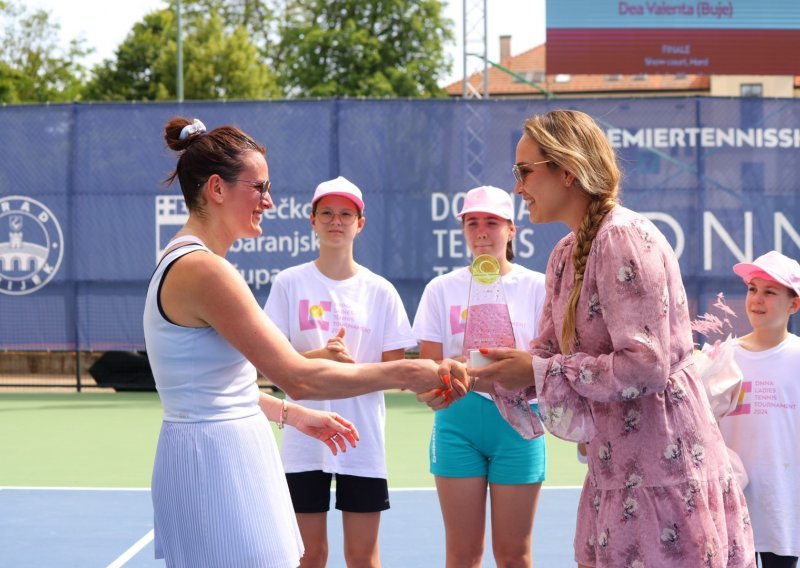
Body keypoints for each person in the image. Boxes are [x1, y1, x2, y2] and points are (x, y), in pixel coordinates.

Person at [145, 117, 466, 568]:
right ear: (217, 189)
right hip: (217, 462)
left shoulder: (187, 260)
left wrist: (291, 414)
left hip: (214, 453)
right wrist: (411, 372)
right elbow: (297, 374)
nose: (269, 201)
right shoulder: (205, 270)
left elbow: (216, 387)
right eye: (259, 187)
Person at [452, 109, 755, 567]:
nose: (518, 187)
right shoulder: (565, 253)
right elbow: (547, 355)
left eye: (525, 171)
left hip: (665, 470)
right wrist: (474, 376)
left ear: (567, 171)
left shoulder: (624, 239)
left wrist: (536, 369)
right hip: (614, 468)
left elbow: (644, 366)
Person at [264, 176, 417, 568]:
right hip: (303, 438)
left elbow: (394, 372)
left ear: (360, 223)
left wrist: (348, 370)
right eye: (327, 213)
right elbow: (272, 362)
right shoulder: (289, 283)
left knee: (363, 559)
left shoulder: (380, 291)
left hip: (361, 440)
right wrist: (320, 357)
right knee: (308, 556)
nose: (336, 221)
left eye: (346, 214)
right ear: (311, 220)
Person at [412, 185, 547, 568]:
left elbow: (551, 359)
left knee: (514, 556)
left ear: (511, 229)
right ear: (463, 230)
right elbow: (428, 368)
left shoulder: (538, 287)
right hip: (458, 425)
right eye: (473, 223)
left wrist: (511, 364)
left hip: (520, 424)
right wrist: (448, 371)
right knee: (463, 554)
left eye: (492, 222)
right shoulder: (441, 290)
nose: (482, 231)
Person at [718, 251, 800, 568]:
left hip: (783, 508)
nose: (757, 299)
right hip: (731, 506)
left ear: (793, 304)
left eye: (770, 292)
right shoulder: (723, 356)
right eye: (753, 289)